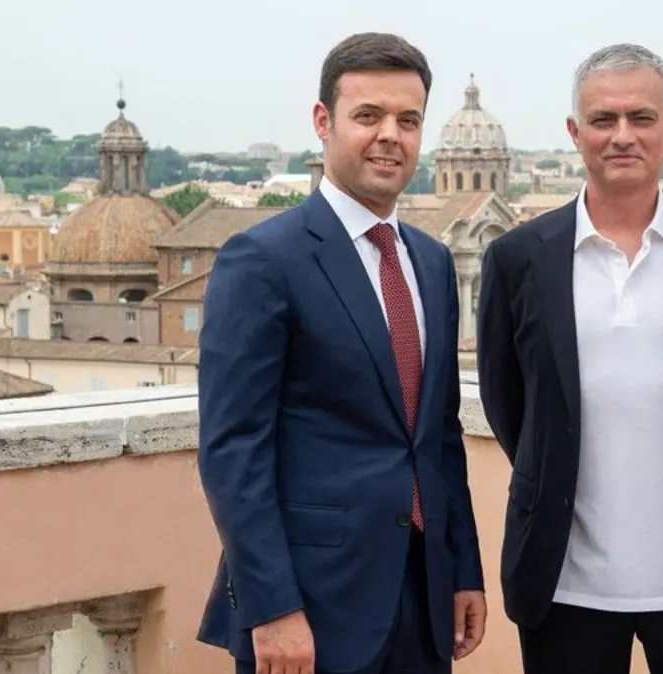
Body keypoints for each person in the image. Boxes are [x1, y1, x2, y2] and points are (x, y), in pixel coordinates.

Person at [476, 43, 663, 674]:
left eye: (641, 118)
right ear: (575, 132)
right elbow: (509, 405)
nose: (622, 136)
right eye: (603, 120)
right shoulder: (517, 259)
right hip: (564, 585)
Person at [196, 32, 487, 674]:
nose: (390, 135)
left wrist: (462, 567)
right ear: (323, 122)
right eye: (368, 116)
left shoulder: (432, 262)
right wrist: (270, 608)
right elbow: (232, 450)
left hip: (422, 594)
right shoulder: (264, 259)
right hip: (310, 605)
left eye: (408, 120)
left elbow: (437, 437)